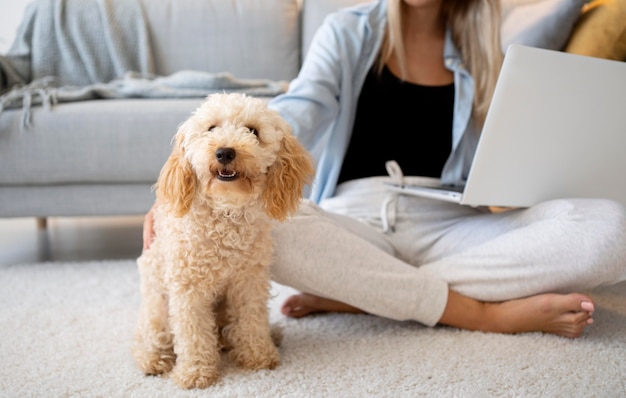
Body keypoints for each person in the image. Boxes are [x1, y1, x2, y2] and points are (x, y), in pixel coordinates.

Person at [143, 0, 626, 339]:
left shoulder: (486, 50)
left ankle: (366, 292)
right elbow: (292, 116)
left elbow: (506, 155)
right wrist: (206, 171)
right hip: (353, 218)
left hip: (450, 218)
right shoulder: (347, 31)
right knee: (266, 228)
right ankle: (482, 313)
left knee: (608, 229)